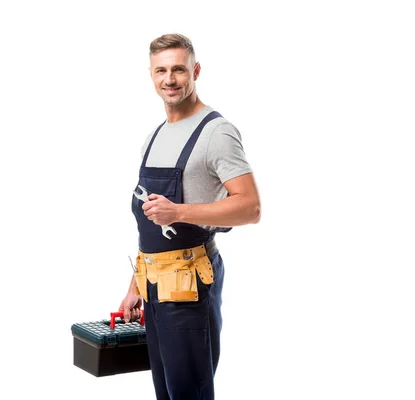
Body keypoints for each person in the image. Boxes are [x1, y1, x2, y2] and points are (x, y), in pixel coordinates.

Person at [118, 33, 261, 400]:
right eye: (161, 70)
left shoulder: (217, 132)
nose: (170, 79)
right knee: (166, 393)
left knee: (188, 394)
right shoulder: (154, 136)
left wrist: (179, 211)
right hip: (154, 286)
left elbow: (250, 206)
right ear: (151, 76)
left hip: (189, 284)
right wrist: (136, 285)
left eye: (179, 69)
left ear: (195, 71)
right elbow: (148, 222)